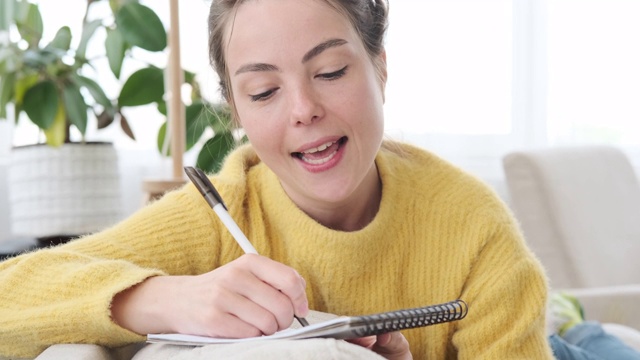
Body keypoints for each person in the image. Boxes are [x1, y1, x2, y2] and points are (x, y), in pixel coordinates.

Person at [0, 0, 555, 358]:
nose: (303, 109)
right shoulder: (220, 213)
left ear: (380, 67)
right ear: (235, 111)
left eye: (331, 71)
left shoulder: (472, 227)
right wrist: (164, 299)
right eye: (264, 91)